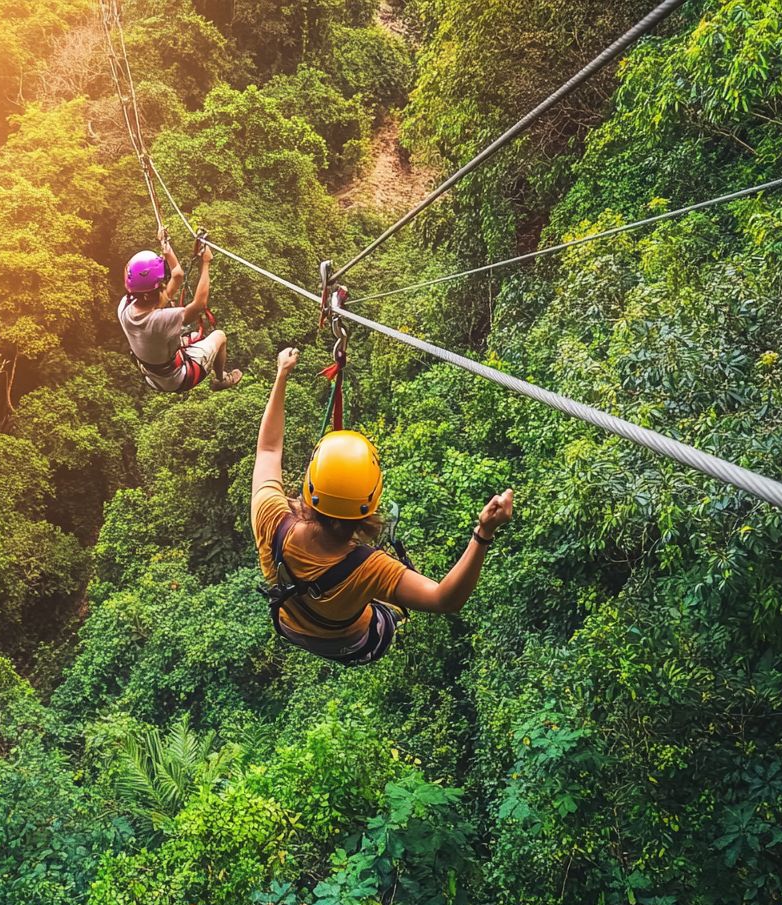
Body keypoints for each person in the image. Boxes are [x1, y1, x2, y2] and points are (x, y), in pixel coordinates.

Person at [251, 346, 513, 665]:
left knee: (357, 585)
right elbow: (445, 598)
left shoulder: (271, 518)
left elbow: (267, 449)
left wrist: (282, 374)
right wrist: (483, 532)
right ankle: (380, 603)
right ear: (371, 503)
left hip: (289, 625)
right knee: (389, 611)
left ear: (310, 488)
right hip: (357, 642)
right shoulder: (371, 567)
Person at [118, 230, 243, 392]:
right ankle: (220, 379)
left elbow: (177, 275)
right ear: (155, 292)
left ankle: (193, 356)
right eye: (164, 283)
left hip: (152, 373)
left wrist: (165, 245)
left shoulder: (125, 306)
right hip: (177, 378)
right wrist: (206, 264)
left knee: (192, 337)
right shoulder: (160, 320)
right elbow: (199, 305)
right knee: (219, 336)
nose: (166, 285)